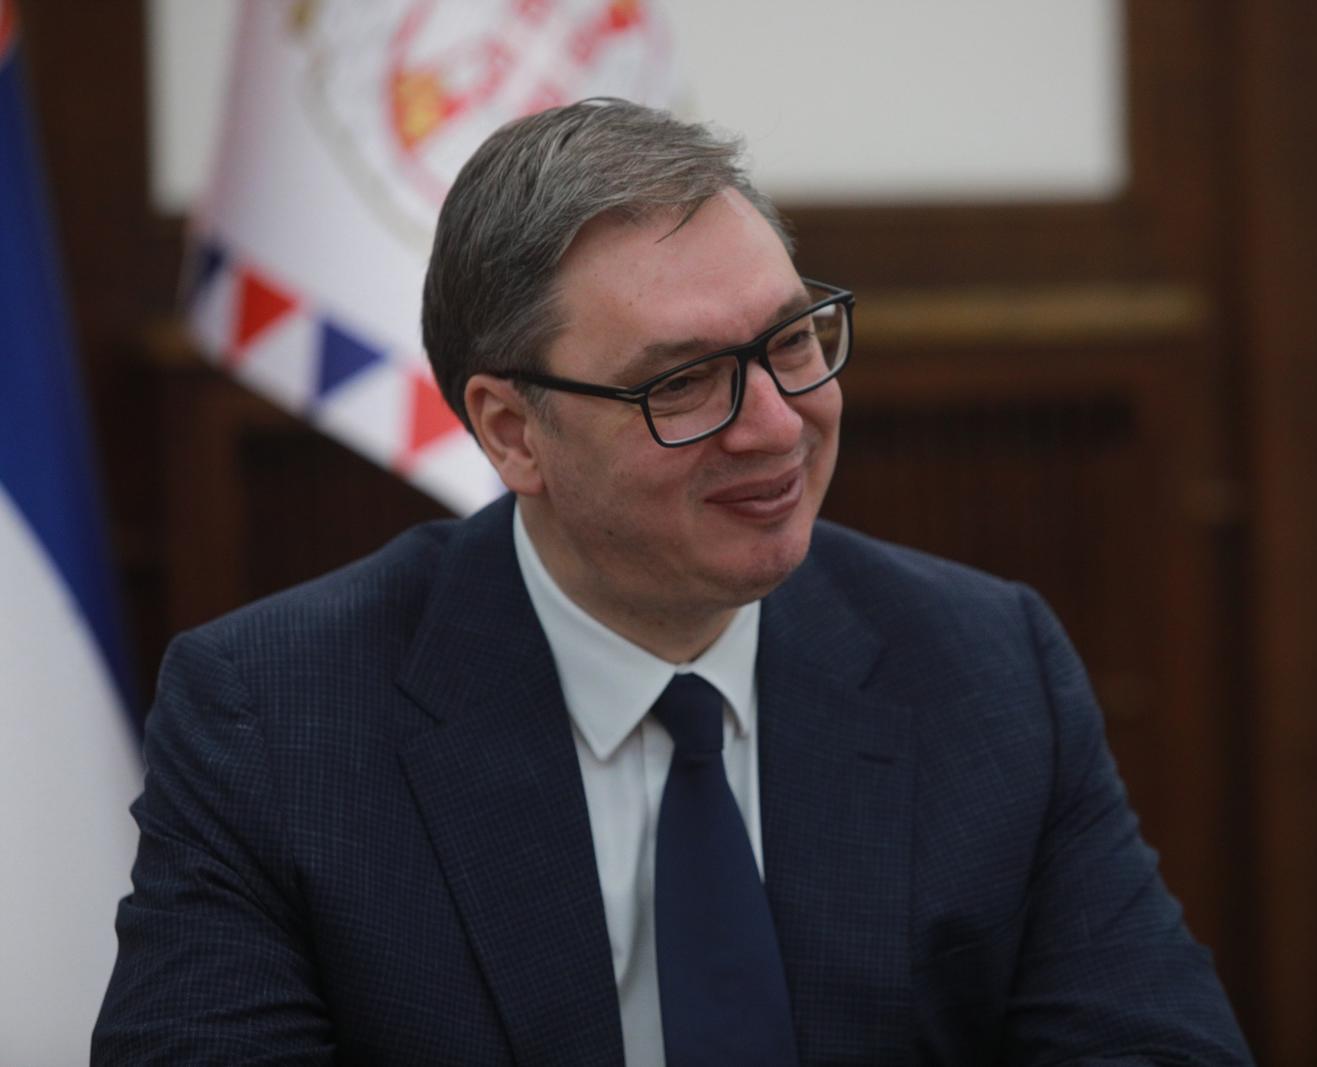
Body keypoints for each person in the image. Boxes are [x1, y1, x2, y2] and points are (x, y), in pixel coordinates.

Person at [94, 99, 1251, 1065]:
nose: (774, 424)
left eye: (791, 340)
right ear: (512, 432)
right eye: (684, 381)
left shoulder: (987, 664)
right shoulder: (273, 717)